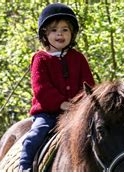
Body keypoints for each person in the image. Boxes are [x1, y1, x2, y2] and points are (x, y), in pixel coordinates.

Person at [19, 3, 95, 171]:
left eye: (65, 30)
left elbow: (88, 86)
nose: (59, 34)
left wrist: (81, 105)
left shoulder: (79, 58)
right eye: (53, 30)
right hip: (48, 113)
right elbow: (41, 89)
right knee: (35, 135)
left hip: (77, 113)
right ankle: (24, 168)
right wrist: (62, 103)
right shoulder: (40, 59)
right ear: (45, 34)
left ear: (72, 33)